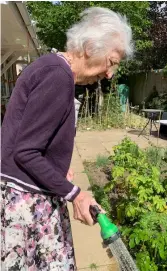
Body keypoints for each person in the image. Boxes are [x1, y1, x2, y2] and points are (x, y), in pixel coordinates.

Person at [1, 7, 133, 271]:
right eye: (111, 62)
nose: (110, 74)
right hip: (27, 203)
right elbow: (25, 152)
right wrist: (77, 196)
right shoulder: (58, 76)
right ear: (89, 48)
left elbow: (33, 141)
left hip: (28, 193)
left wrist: (58, 171)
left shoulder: (52, 69)